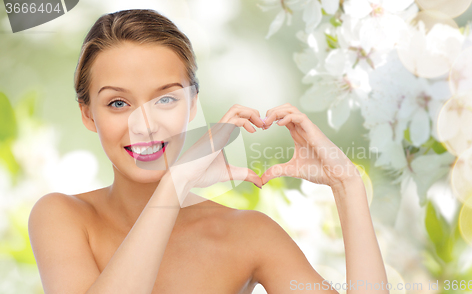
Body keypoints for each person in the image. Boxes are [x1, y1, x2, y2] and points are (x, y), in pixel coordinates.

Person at [28, 9, 389, 294]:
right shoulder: (62, 217)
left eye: (166, 98)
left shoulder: (248, 235)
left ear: (193, 104)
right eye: (118, 102)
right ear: (88, 114)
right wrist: (176, 182)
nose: (145, 125)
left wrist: (347, 185)